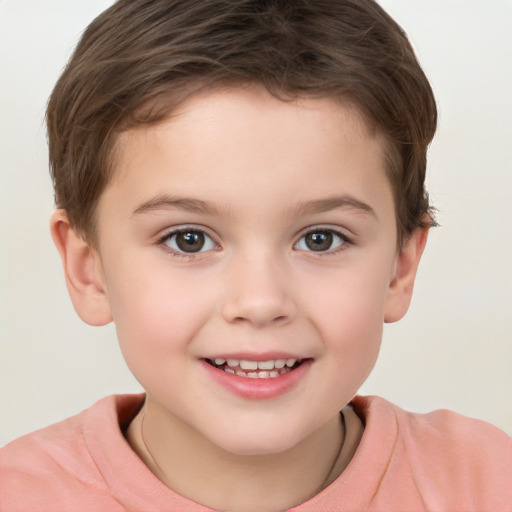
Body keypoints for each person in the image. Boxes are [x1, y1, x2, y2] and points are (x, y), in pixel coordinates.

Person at [1, 0, 510, 510]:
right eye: (189, 239)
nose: (261, 302)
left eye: (321, 239)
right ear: (88, 269)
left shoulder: (488, 484)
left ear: (401, 267)